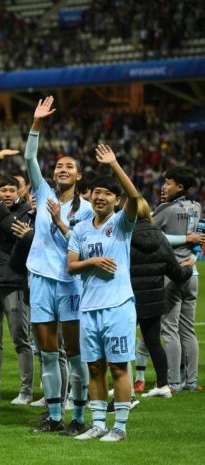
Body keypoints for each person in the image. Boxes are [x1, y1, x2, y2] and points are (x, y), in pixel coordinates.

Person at [24, 96, 94, 435]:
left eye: (68, 167)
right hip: (39, 280)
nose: (61, 170)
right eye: (58, 167)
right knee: (48, 353)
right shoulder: (44, 193)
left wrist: (62, 224)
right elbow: (29, 157)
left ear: (79, 175)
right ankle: (54, 416)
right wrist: (37, 123)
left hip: (70, 283)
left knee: (76, 354)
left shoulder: (88, 210)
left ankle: (79, 417)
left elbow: (81, 250)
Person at [67, 144, 140, 442]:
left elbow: (135, 197)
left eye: (107, 193)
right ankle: (98, 424)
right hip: (89, 307)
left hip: (118, 305)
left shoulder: (122, 224)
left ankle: (119, 428)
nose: (100, 197)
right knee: (94, 367)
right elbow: (71, 267)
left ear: (116, 200)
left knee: (118, 366)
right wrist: (92, 261)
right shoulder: (80, 229)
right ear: (90, 195)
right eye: (96, 192)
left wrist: (114, 165)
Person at [129, 197, 193, 399]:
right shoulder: (160, 237)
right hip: (154, 299)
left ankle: (126, 386)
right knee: (153, 342)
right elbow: (177, 274)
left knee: (121, 343)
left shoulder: (123, 235)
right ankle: (163, 385)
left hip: (127, 298)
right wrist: (189, 267)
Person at [0, 163, 35, 405]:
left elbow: (13, 228)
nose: (7, 194)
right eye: (2, 190)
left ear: (19, 192)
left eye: (11, 190)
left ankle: (26, 391)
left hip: (14, 283)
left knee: (20, 339)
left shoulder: (26, 213)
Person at [151, 167, 204, 392]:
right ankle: (191, 382)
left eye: (169, 182)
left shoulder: (165, 209)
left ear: (180, 187)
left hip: (171, 274)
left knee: (170, 329)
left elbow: (150, 233)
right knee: (188, 330)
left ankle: (172, 382)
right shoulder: (197, 207)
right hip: (192, 273)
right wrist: (192, 255)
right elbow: (199, 237)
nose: (164, 186)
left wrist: (182, 238)